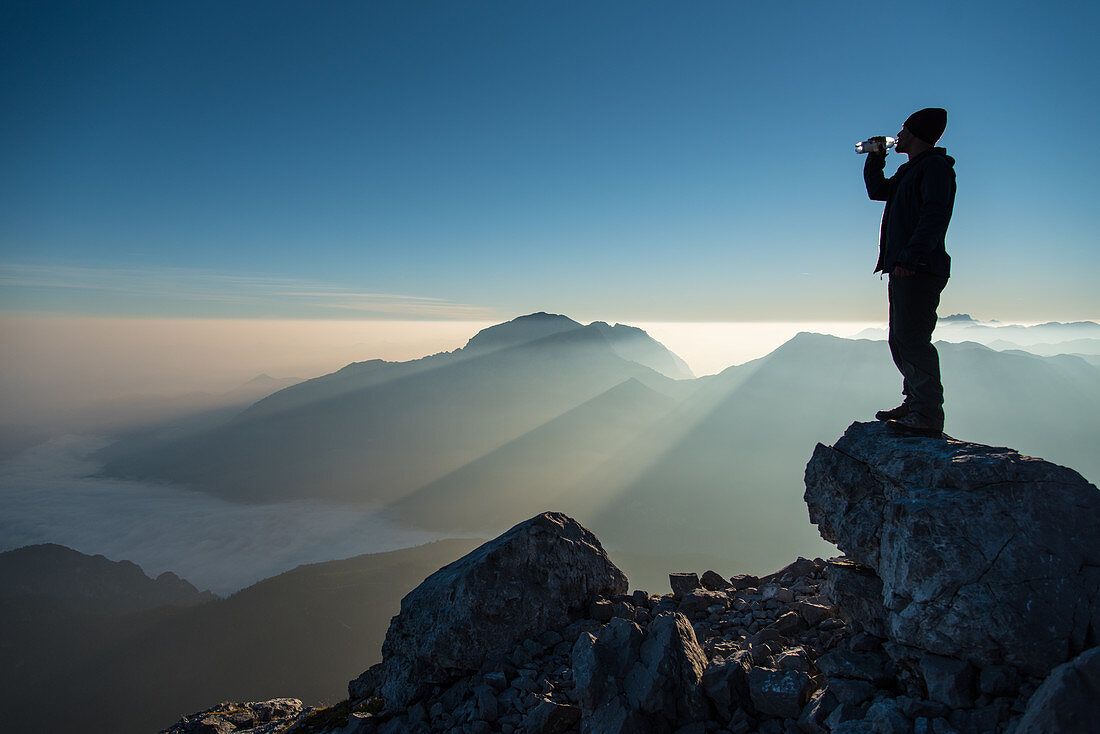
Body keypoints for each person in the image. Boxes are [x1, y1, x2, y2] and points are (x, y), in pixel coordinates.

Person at [864, 108, 956, 437]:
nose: (897, 136)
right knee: (900, 339)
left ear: (916, 134)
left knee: (913, 340)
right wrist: (875, 158)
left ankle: (927, 414)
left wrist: (911, 257)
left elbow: (934, 214)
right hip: (905, 267)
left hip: (918, 268)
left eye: (903, 130)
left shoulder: (934, 168)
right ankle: (915, 402)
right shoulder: (911, 170)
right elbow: (877, 191)